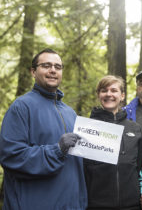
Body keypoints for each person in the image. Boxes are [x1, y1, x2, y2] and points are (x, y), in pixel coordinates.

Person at [0, 48, 87, 210]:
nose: (53, 70)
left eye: (57, 67)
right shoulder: (21, 107)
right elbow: (11, 156)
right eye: (46, 65)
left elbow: (77, 165)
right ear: (33, 71)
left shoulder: (71, 113)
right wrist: (57, 150)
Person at [84, 75, 142, 210]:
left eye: (113, 90)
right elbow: (82, 171)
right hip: (97, 205)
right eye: (104, 90)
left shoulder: (135, 128)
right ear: (99, 95)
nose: (109, 94)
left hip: (132, 205)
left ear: (122, 96)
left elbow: (141, 168)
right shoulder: (87, 128)